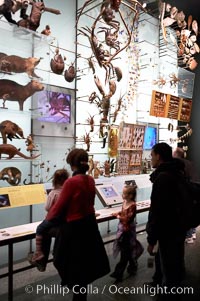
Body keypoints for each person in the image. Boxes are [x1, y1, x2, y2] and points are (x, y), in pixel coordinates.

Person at [46, 148, 110, 301]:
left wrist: (48, 220)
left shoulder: (71, 182)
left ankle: (40, 259)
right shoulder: (90, 180)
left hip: (74, 229)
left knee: (64, 259)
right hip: (88, 226)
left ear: (72, 164)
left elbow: (59, 207)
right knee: (83, 267)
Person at [146, 143, 188, 300]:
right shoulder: (177, 172)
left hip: (167, 231)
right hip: (178, 226)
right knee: (175, 265)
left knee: (168, 270)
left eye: (151, 155)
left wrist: (151, 239)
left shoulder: (162, 178)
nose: (150, 159)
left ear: (158, 156)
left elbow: (157, 211)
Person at [29, 168, 69, 270]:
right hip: (64, 221)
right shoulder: (68, 192)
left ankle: (38, 252)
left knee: (40, 229)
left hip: (54, 219)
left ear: (55, 180)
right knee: (46, 232)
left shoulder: (53, 193)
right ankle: (41, 261)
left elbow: (47, 207)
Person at [110, 185, 143, 282]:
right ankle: (133, 266)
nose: (122, 195)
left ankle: (118, 273)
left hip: (127, 232)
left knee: (125, 253)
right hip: (122, 230)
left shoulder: (132, 205)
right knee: (127, 251)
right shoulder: (125, 202)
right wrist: (118, 213)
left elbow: (128, 219)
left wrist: (118, 216)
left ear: (131, 195)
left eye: (124, 193)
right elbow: (123, 213)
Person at [173, 147, 199, 244]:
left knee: (185, 212)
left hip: (184, 192)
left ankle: (188, 236)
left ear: (176, 154)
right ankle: (192, 233)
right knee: (190, 211)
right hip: (193, 191)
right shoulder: (190, 163)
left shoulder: (177, 164)